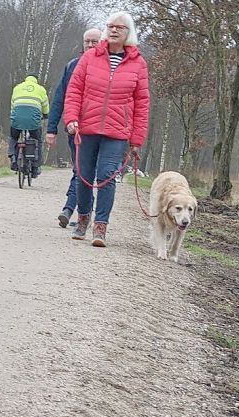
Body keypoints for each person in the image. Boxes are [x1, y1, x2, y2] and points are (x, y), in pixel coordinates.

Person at [64, 12, 150, 247]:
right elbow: (74, 91)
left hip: (117, 132)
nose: (114, 30)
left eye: (119, 27)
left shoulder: (138, 63)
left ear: (128, 33)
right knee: (83, 176)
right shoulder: (90, 57)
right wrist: (71, 118)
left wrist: (136, 140)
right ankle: (83, 220)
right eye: (110, 26)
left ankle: (100, 226)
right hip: (87, 127)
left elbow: (142, 103)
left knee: (106, 178)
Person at [46, 28, 102, 227]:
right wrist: (51, 128)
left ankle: (71, 209)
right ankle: (81, 212)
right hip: (75, 129)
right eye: (87, 41)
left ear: (102, 43)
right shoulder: (72, 66)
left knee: (84, 171)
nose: (90, 45)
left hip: (98, 131)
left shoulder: (107, 67)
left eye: (94, 41)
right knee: (81, 171)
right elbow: (60, 98)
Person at [8, 73, 50, 178]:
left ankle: (13, 156)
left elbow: (13, 105)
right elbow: (45, 105)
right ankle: (36, 167)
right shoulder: (40, 89)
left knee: (13, 137)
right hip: (33, 120)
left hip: (17, 118)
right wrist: (45, 115)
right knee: (38, 140)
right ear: (36, 80)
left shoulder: (17, 87)